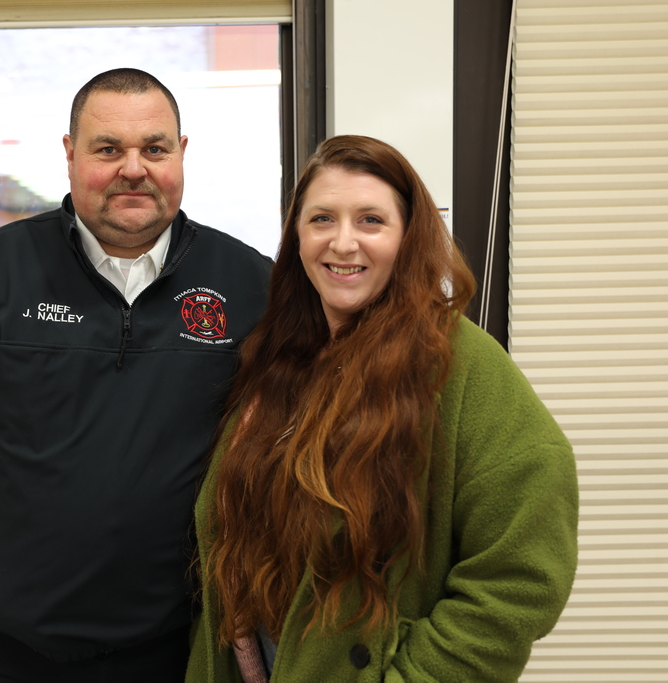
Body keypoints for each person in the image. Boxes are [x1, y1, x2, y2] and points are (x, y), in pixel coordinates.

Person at [0, 68, 272, 682]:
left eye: (154, 148)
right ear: (70, 155)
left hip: (183, 650)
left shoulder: (249, 284)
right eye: (109, 149)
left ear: (181, 154)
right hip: (10, 652)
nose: (134, 168)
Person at [186, 135, 578, 682]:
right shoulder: (278, 357)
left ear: (407, 237)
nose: (343, 243)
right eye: (322, 219)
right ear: (297, 237)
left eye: (370, 220)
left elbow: (520, 576)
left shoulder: (457, 363)